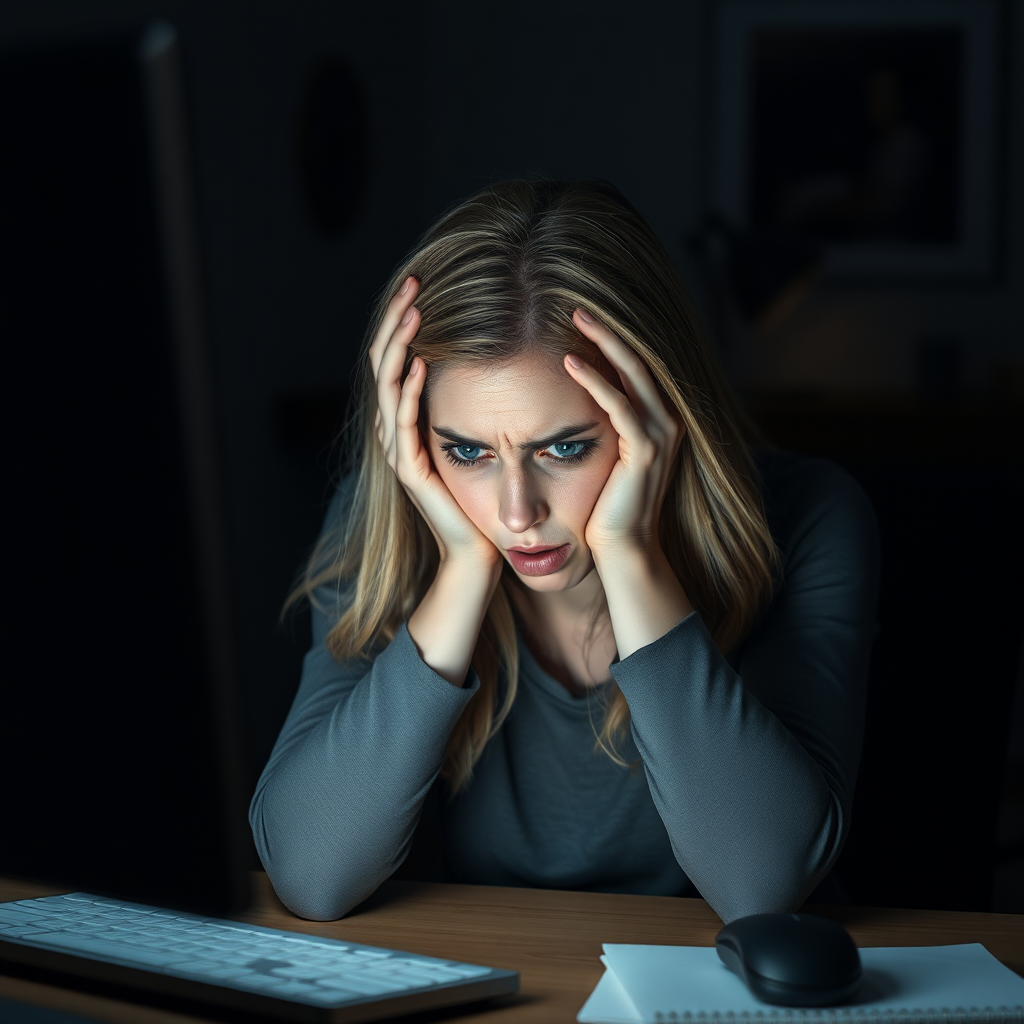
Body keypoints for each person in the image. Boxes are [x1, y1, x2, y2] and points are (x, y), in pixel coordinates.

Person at [250, 179, 879, 924]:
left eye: (566, 447)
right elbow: (310, 872)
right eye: (468, 451)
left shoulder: (809, 516)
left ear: (656, 412)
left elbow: (762, 884)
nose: (518, 513)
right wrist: (463, 569)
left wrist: (630, 552)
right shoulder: (382, 520)